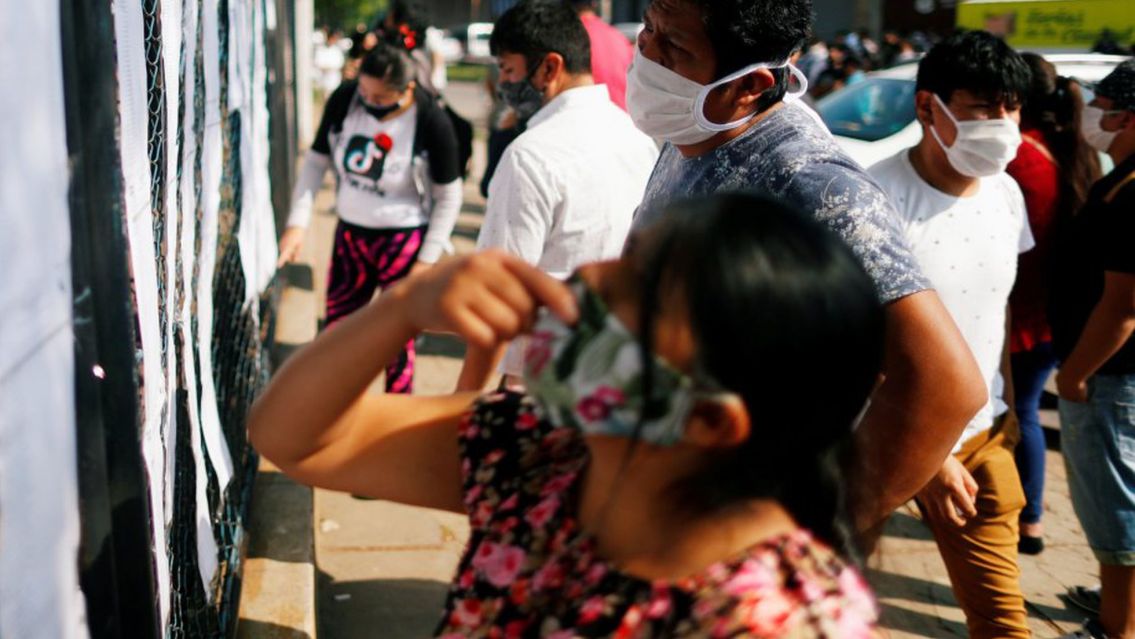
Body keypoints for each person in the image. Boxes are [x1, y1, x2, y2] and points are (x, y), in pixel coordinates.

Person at [249, 193, 884, 637]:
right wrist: (402, 309)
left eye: (639, 285)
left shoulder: (776, 623)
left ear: (709, 422)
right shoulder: (537, 447)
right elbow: (297, 438)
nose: (589, 275)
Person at [625, 0, 987, 533]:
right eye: (649, 28)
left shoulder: (809, 182)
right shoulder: (692, 131)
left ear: (750, 85)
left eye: (674, 45)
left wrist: (823, 538)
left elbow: (944, 383)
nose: (646, 51)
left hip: (724, 522)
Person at [867, 31, 1033, 639]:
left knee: (1003, 621)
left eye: (1012, 106)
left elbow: (998, 308)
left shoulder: (1007, 195)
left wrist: (1009, 410)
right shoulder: (870, 198)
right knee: (824, 611)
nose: (1003, 123)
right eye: (982, 106)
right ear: (926, 108)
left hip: (980, 438)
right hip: (877, 442)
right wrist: (927, 455)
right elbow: (854, 338)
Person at [457, 0, 659, 391]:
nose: (502, 84)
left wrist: (464, 402)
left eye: (507, 69)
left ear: (549, 67)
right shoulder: (636, 137)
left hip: (541, 373)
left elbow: (499, 295)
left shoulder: (529, 156)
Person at [277, 43, 462, 394]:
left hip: (403, 241)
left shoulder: (432, 121)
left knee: (396, 335)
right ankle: (333, 404)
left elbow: (448, 196)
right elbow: (316, 162)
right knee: (337, 328)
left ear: (406, 90)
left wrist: (426, 261)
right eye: (364, 91)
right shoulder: (346, 99)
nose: (368, 101)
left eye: (379, 98)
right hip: (351, 235)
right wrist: (297, 224)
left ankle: (395, 412)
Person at [1049, 58, 1135, 639]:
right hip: (1110, 374)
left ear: (1127, 117)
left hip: (1110, 376)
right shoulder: (1121, 177)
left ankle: (1117, 626)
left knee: (1116, 508)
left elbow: (1123, 307)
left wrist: (1076, 375)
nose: (1093, 120)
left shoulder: (1132, 193)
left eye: (1101, 110)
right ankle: (1117, 601)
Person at [1006, 53, 1101, 556]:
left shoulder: (1020, 156)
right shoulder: (1076, 151)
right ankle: (1032, 522)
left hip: (1019, 314)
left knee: (1016, 414)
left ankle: (1024, 517)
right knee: (1023, 411)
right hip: (1053, 317)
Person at [568, 0, 634, 110]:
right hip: (623, 118)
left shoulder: (570, 37)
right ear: (594, 4)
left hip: (590, 117)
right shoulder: (618, 37)